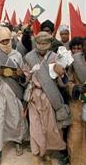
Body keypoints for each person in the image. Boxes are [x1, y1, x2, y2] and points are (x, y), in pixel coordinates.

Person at [24, 32, 70, 165]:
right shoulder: (29, 57)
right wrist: (23, 74)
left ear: (49, 44)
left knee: (49, 127)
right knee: (35, 127)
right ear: (36, 43)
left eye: (45, 43)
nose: (42, 46)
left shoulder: (56, 57)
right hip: (34, 96)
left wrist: (61, 74)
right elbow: (25, 77)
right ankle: (36, 154)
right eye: (39, 43)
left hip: (49, 97)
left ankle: (48, 154)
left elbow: (62, 83)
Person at [0, 27, 28, 165]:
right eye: (2, 41)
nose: (5, 43)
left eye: (7, 40)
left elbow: (24, 76)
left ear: (11, 40)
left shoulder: (17, 55)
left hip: (14, 92)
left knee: (15, 118)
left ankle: (18, 141)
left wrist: (21, 74)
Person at [66, 38, 86, 165]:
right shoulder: (75, 61)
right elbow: (68, 81)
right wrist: (75, 88)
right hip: (77, 105)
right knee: (76, 134)